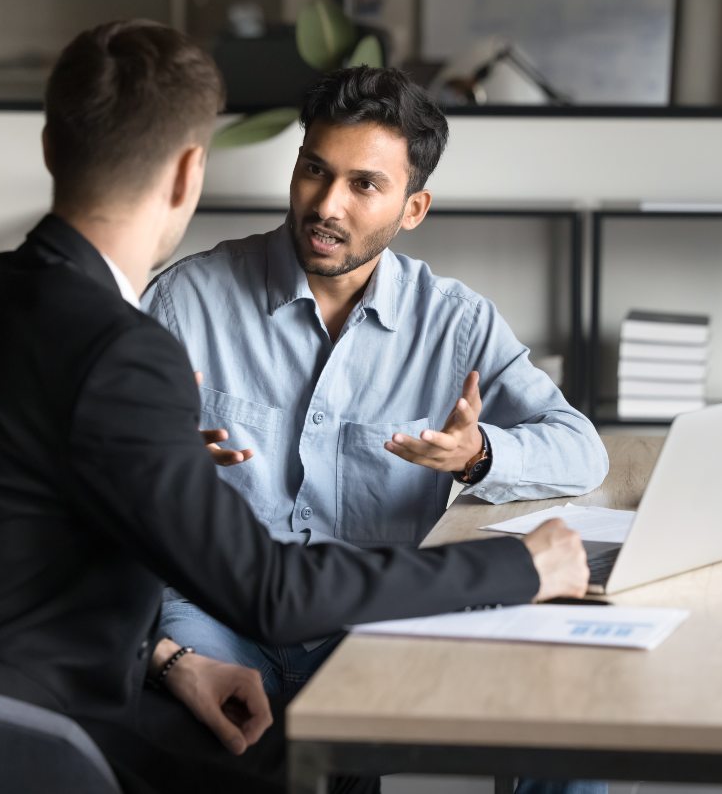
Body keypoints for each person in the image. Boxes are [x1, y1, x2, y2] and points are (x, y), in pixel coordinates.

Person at [0, 20, 589, 794]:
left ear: (48, 150)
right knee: (288, 756)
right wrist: (518, 565)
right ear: (187, 174)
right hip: (2, 742)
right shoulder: (119, 346)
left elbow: (28, 555)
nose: (328, 202)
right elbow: (271, 591)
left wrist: (165, 660)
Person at [143, 66, 609, 700]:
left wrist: (477, 455)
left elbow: (581, 449)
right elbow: (98, 472)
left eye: (364, 184)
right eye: (315, 169)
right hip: (216, 617)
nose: (327, 204)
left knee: (559, 693)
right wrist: (157, 458)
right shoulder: (185, 300)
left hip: (368, 625)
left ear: (413, 208)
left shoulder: (455, 323)